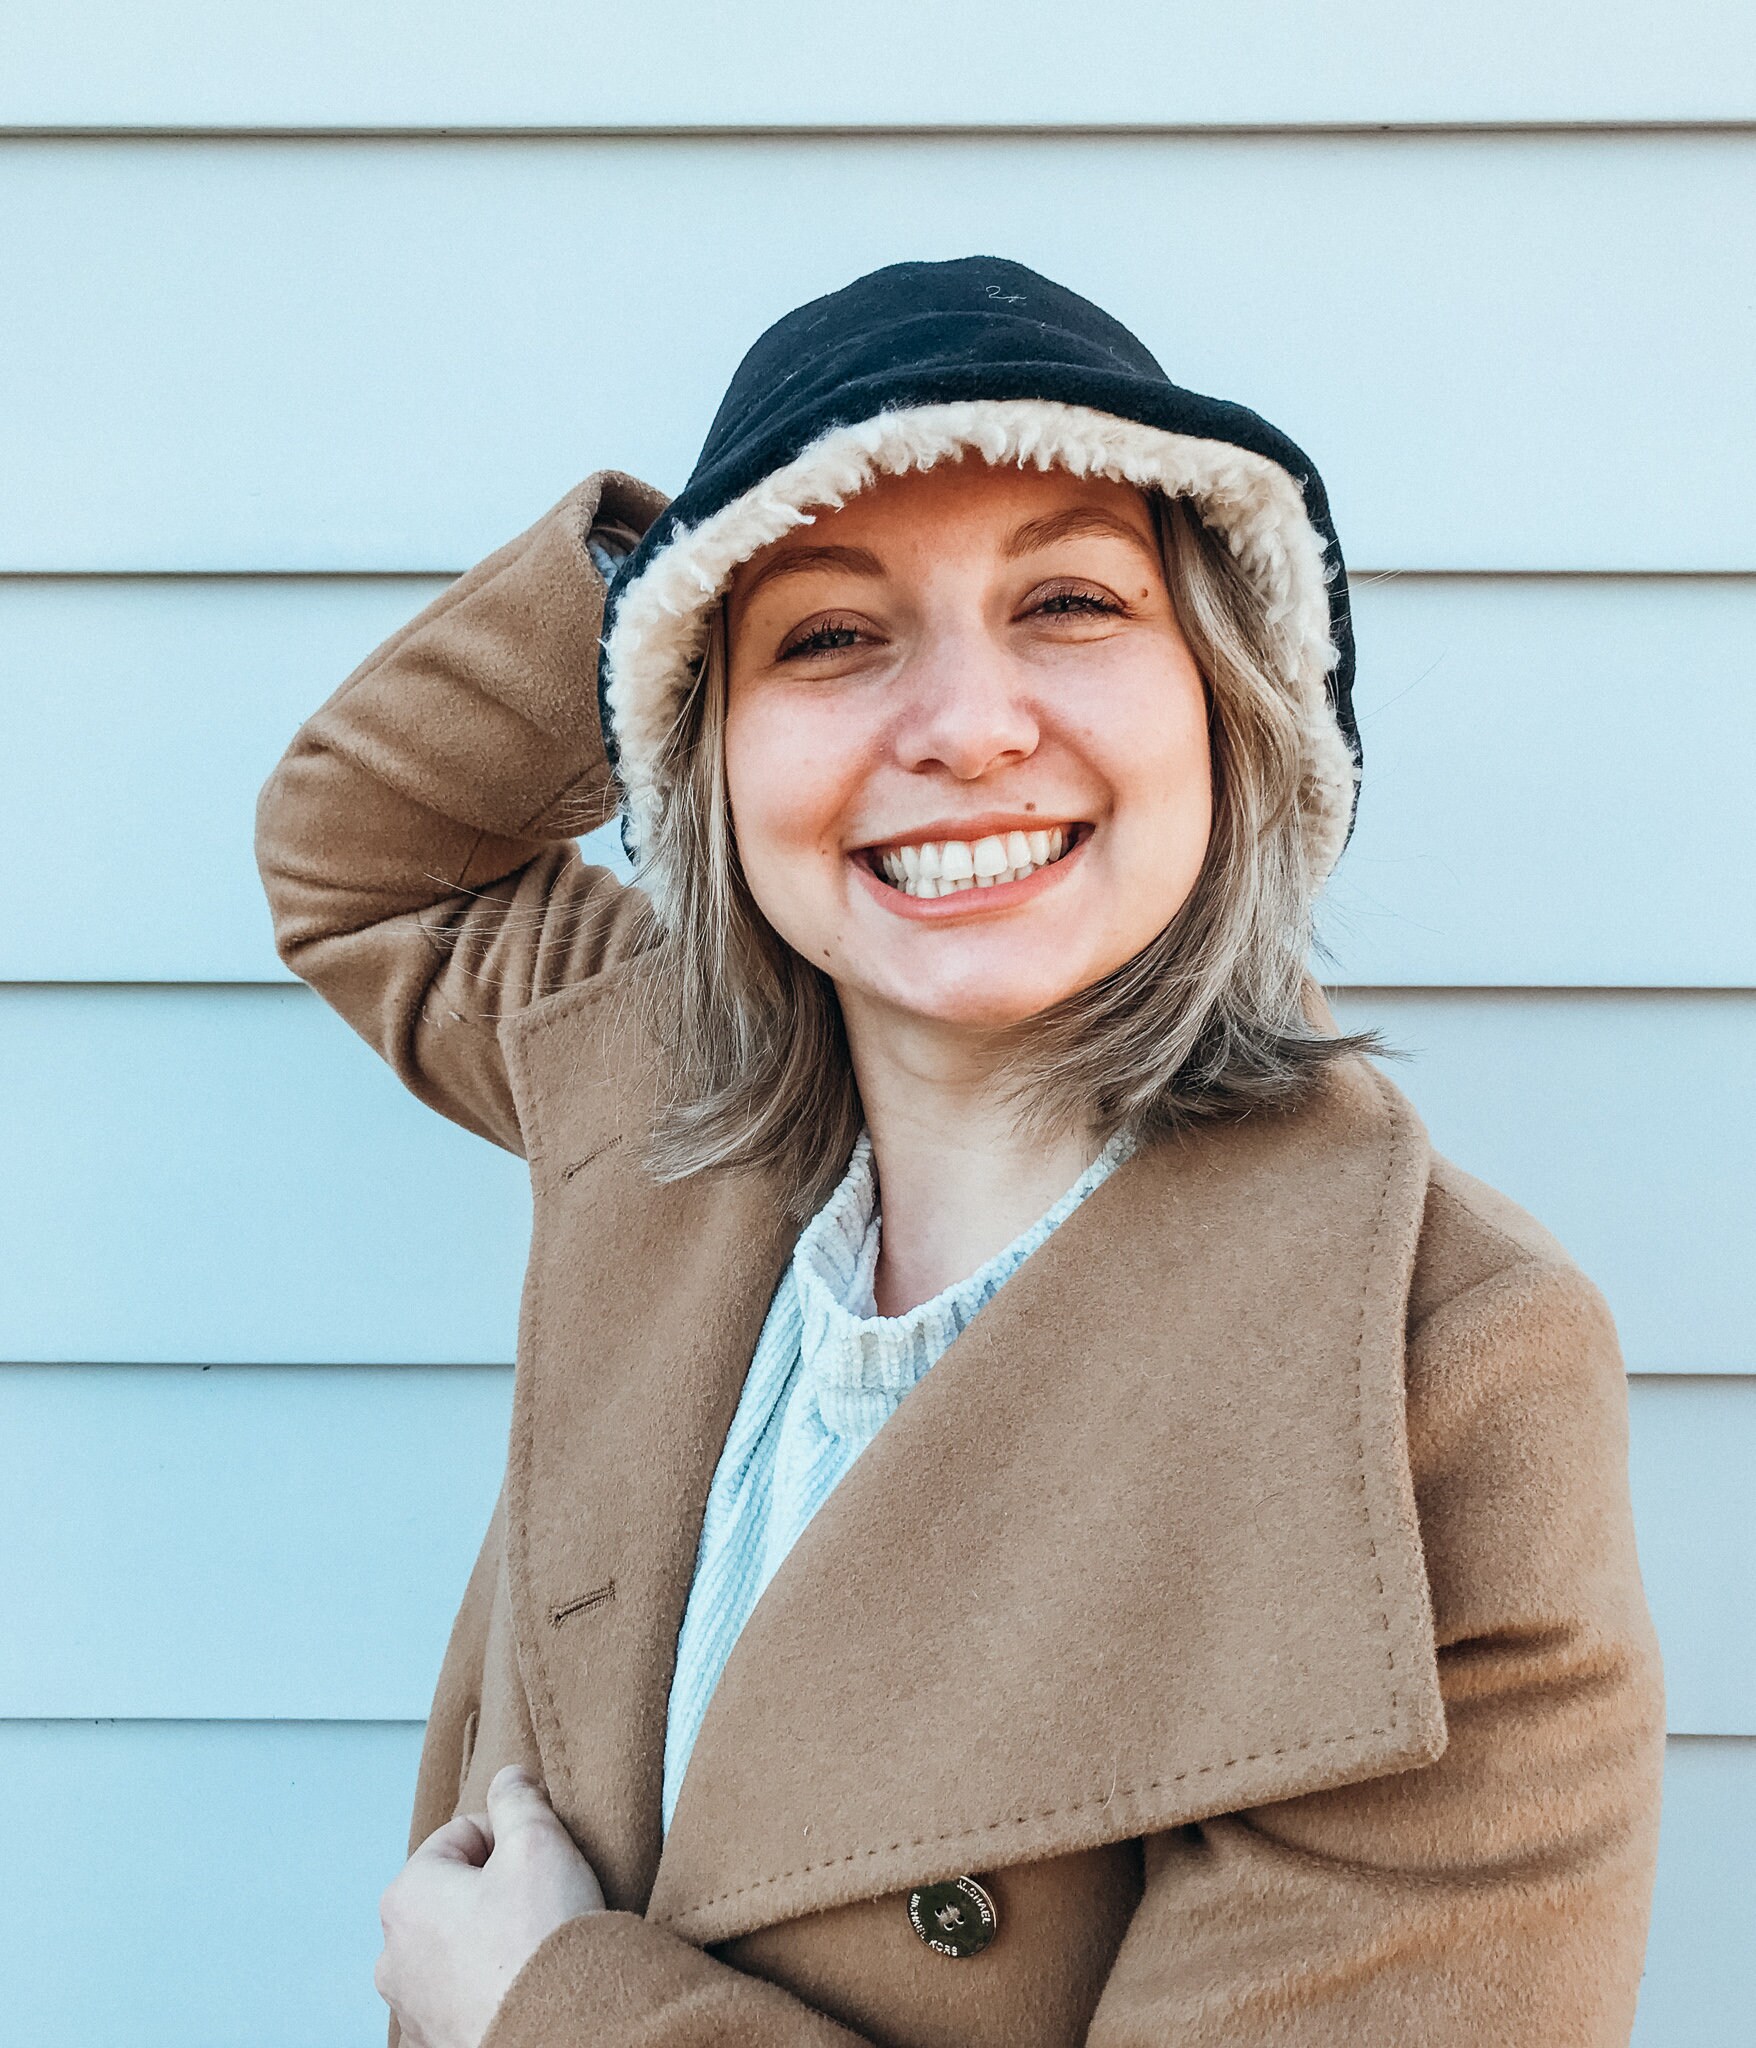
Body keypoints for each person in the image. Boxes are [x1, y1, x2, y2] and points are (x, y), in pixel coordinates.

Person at [255, 257, 1663, 2048]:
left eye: (1071, 601)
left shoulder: (1440, 1384)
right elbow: (354, 845)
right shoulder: (659, 1091)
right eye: (827, 636)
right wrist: (655, 576)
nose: (965, 726)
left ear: (1233, 701)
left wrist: (550, 2008)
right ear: (713, 755)